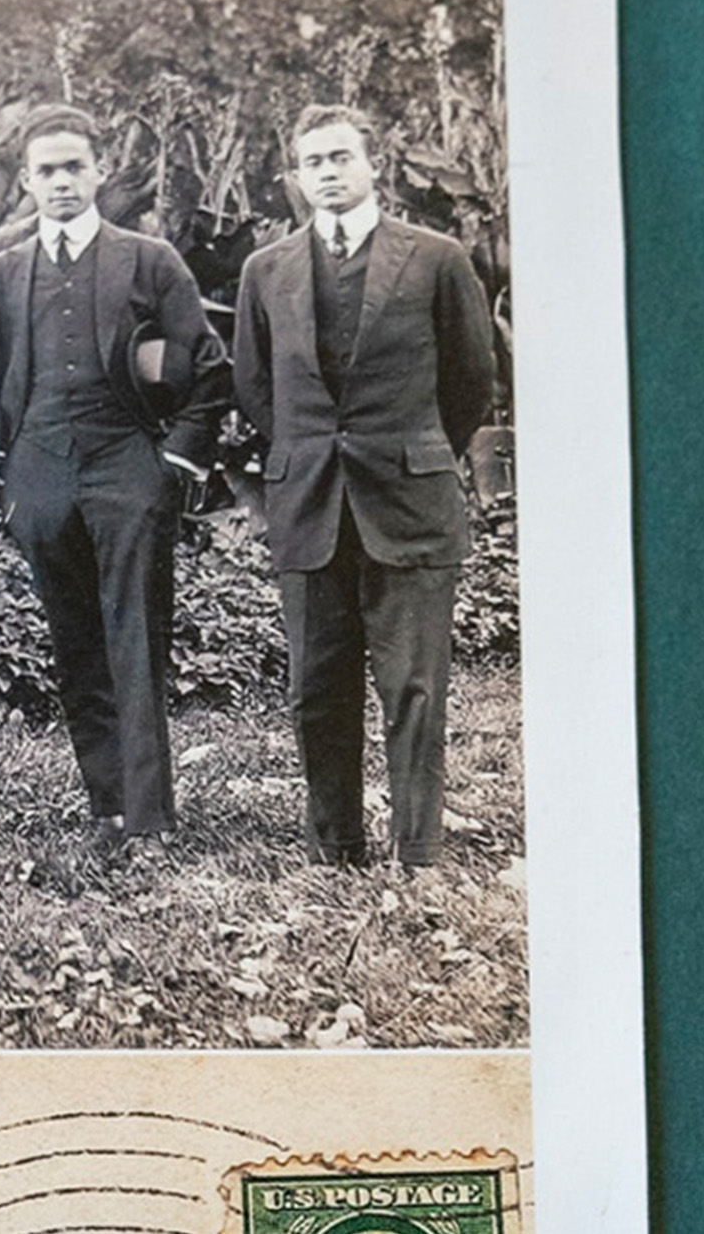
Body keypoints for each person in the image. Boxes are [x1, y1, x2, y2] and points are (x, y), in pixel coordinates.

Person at [234, 104, 496, 867]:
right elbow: (257, 389)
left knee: (413, 689)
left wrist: (415, 453)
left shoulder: (437, 258)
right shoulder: (266, 271)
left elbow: (472, 381)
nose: (328, 172)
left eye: (341, 157)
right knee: (317, 689)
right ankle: (335, 848)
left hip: (410, 503)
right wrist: (314, 452)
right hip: (310, 502)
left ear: (372, 163)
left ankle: (417, 849)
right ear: (296, 176)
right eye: (313, 162)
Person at [0, 105, 228, 850]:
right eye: (45, 171)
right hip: (41, 470)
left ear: (99, 171)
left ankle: (150, 817)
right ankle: (106, 807)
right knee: (73, 637)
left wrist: (173, 464)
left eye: (73, 167)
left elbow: (208, 370)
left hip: (126, 463)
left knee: (135, 636)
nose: (60, 182)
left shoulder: (149, 260)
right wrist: (9, 479)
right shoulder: (0, 271)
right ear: (26, 180)